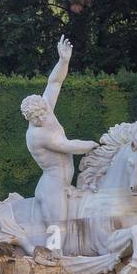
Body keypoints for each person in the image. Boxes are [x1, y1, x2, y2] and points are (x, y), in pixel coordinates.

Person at [21, 36, 100, 233]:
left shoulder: (45, 109)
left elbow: (54, 82)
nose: (43, 118)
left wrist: (63, 61)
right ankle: (52, 260)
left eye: (43, 113)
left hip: (66, 180)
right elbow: (68, 146)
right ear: (29, 118)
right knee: (59, 229)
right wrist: (94, 144)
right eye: (37, 118)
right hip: (52, 185)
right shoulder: (36, 136)